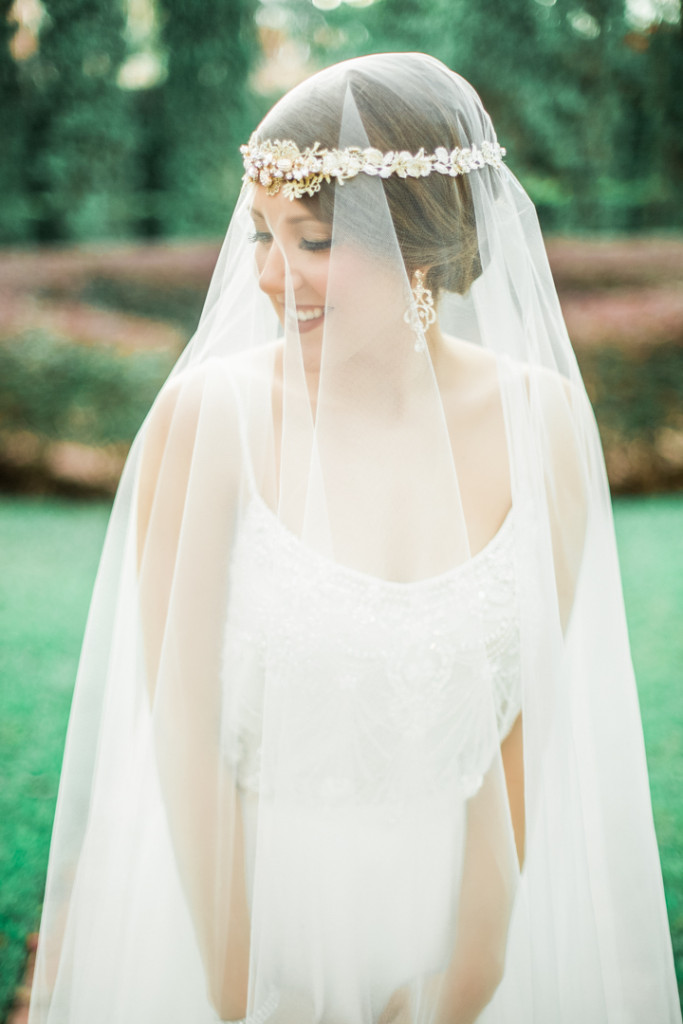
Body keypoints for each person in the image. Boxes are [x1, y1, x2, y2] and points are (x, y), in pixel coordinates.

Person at [28, 53, 680, 1024]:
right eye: (259, 234)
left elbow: (520, 736)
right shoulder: (210, 418)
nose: (265, 276)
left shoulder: (539, 425)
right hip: (234, 914)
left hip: (449, 922)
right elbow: (182, 724)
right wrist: (244, 984)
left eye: (315, 240)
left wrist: (471, 971)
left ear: (419, 241)